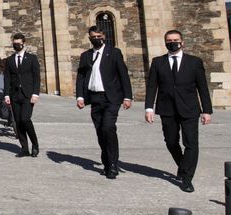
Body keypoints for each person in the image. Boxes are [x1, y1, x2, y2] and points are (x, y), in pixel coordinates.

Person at [144, 28, 212, 193]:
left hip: (190, 109)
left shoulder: (194, 62)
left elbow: (202, 88)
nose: (172, 43)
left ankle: (187, 178)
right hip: (167, 108)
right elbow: (152, 86)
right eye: (169, 40)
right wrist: (148, 107)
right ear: (165, 43)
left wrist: (207, 110)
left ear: (182, 42)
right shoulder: (158, 62)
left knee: (191, 143)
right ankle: (183, 165)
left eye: (175, 40)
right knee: (171, 141)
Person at [74, 26, 133, 178]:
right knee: (100, 131)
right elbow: (81, 76)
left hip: (111, 97)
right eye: (93, 36)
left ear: (104, 36)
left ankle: (113, 164)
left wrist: (127, 96)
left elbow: (123, 75)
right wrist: (80, 96)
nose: (96, 39)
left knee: (108, 128)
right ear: (89, 38)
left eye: (99, 36)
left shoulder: (114, 53)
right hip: (94, 98)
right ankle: (106, 161)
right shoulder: (86, 55)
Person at [4, 33, 41, 156]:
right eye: (15, 44)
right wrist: (6, 95)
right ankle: (24, 148)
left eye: (19, 43)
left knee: (25, 119)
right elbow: (7, 78)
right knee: (18, 122)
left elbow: (36, 77)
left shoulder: (32, 58)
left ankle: (35, 144)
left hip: (27, 94)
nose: (17, 45)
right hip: (14, 95)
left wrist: (35, 93)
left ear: (23, 43)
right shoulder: (9, 60)